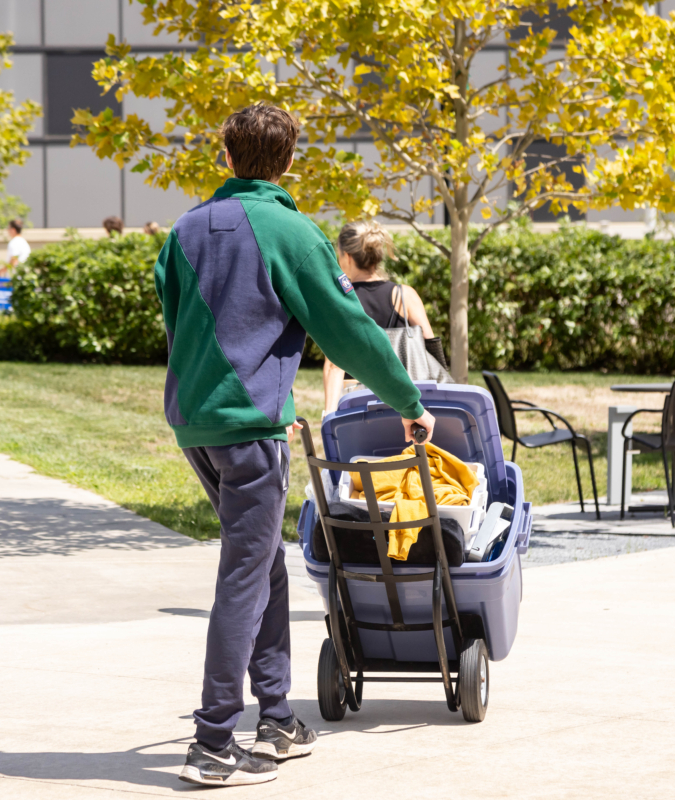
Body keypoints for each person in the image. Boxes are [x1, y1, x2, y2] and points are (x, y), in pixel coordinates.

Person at [154, 103, 435, 788]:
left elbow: (174, 316)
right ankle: (214, 739)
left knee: (262, 564)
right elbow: (347, 331)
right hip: (249, 426)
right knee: (244, 573)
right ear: (288, 163)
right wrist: (407, 401)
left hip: (197, 423)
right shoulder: (292, 231)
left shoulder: (183, 230)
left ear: (224, 156)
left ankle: (276, 716)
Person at [322, 220, 448, 412]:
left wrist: (328, 416)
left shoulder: (342, 300)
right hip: (407, 401)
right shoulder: (404, 296)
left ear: (347, 256)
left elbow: (334, 366)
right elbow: (431, 347)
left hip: (360, 405)